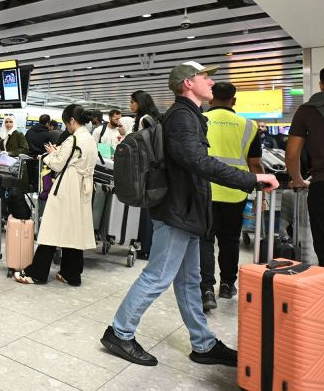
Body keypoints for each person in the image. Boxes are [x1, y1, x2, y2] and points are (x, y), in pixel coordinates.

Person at [101, 61, 280, 368]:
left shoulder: (191, 115)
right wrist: (250, 179)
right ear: (187, 83)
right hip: (177, 211)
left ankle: (203, 343)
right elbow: (199, 162)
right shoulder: (183, 117)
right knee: (157, 276)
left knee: (189, 280)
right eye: (204, 76)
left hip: (186, 210)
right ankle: (120, 332)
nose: (210, 81)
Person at [13, 104, 97, 286]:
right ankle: (71, 274)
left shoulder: (73, 139)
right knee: (74, 231)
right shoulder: (89, 139)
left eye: (67, 123)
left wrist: (50, 155)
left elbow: (58, 164)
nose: (67, 126)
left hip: (67, 186)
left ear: (72, 121)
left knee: (52, 229)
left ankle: (37, 274)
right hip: (83, 187)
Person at [199, 82, 263, 311]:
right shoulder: (249, 125)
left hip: (205, 191)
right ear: (234, 101)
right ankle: (227, 284)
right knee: (230, 240)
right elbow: (254, 164)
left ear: (210, 99)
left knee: (205, 240)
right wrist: (260, 193)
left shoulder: (200, 121)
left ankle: (206, 288)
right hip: (236, 192)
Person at [286, 65, 324, 266]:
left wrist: (298, 179)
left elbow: (292, 154)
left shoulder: (307, 111)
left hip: (322, 186)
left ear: (321, 84)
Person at [129, 90, 162, 260]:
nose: (131, 105)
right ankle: (148, 245)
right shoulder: (154, 118)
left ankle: (146, 247)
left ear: (140, 103)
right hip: (154, 169)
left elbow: (142, 146)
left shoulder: (143, 120)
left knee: (145, 211)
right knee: (150, 210)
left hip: (144, 170)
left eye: (133, 102)